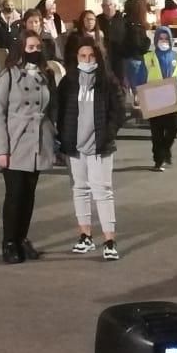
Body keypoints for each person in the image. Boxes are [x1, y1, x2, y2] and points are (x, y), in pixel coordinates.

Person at [53, 38, 123, 261]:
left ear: (98, 57)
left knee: (102, 191)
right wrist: (64, 138)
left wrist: (107, 134)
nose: (87, 60)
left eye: (91, 56)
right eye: (82, 56)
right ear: (76, 58)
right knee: (80, 189)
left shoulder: (108, 82)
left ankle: (109, 240)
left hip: (100, 146)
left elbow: (118, 112)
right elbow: (60, 111)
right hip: (75, 146)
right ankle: (85, 236)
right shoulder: (68, 82)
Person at [0, 31, 56, 265]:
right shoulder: (8, 75)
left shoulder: (44, 74)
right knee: (15, 194)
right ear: (21, 49)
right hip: (16, 140)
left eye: (37, 46)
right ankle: (9, 241)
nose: (34, 51)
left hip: (38, 140)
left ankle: (22, 238)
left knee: (29, 194)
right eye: (30, 47)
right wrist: (1, 149)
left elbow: (51, 107)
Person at [136, 25, 177, 171]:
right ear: (156, 39)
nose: (163, 41)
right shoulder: (148, 57)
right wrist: (139, 95)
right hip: (154, 97)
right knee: (157, 132)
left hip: (172, 96)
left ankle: (165, 150)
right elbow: (140, 77)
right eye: (161, 38)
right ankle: (158, 160)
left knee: (175, 125)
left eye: (166, 38)